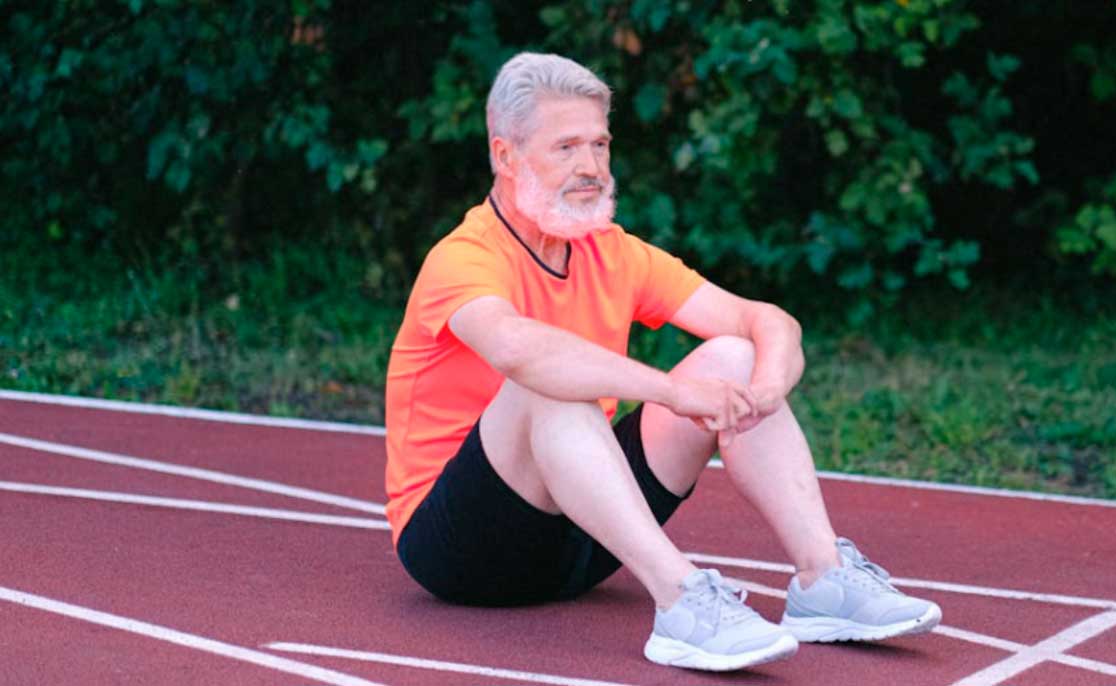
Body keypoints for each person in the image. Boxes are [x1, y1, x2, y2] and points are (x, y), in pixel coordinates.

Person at [384, 52, 941, 672]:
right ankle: (682, 600)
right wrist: (673, 393)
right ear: (506, 156)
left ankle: (824, 578)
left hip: (580, 541)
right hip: (459, 549)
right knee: (543, 384)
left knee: (732, 357)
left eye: (600, 144)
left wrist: (766, 385)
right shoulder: (463, 258)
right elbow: (520, 349)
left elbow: (765, 322)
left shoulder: (612, 252)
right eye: (566, 147)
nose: (591, 166)